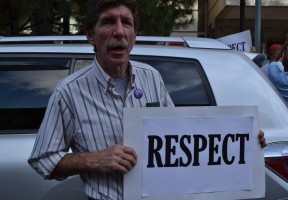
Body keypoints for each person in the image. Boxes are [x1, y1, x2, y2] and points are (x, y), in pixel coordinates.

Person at [27, 0, 267, 200]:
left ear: (134, 35)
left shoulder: (152, 77)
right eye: (108, 22)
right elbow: (43, 160)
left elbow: (181, 137)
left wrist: (244, 141)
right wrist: (94, 159)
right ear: (90, 35)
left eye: (127, 23)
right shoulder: (69, 92)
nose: (119, 31)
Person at [268, 29, 288, 109]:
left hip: (281, 110)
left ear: (282, 63)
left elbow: (273, 59)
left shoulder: (276, 77)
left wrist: (286, 42)